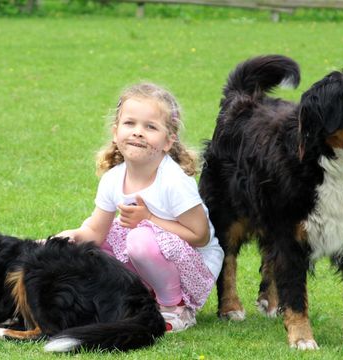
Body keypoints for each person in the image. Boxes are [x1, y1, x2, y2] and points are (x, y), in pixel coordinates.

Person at [58, 82, 223, 332]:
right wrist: (69, 238)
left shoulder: (174, 181)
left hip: (195, 269)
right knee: (95, 247)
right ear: (115, 133)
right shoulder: (114, 177)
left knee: (139, 238)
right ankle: (136, 299)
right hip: (153, 254)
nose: (138, 132)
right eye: (130, 123)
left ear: (168, 141)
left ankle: (175, 308)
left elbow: (200, 237)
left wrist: (149, 218)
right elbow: (96, 231)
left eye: (150, 127)